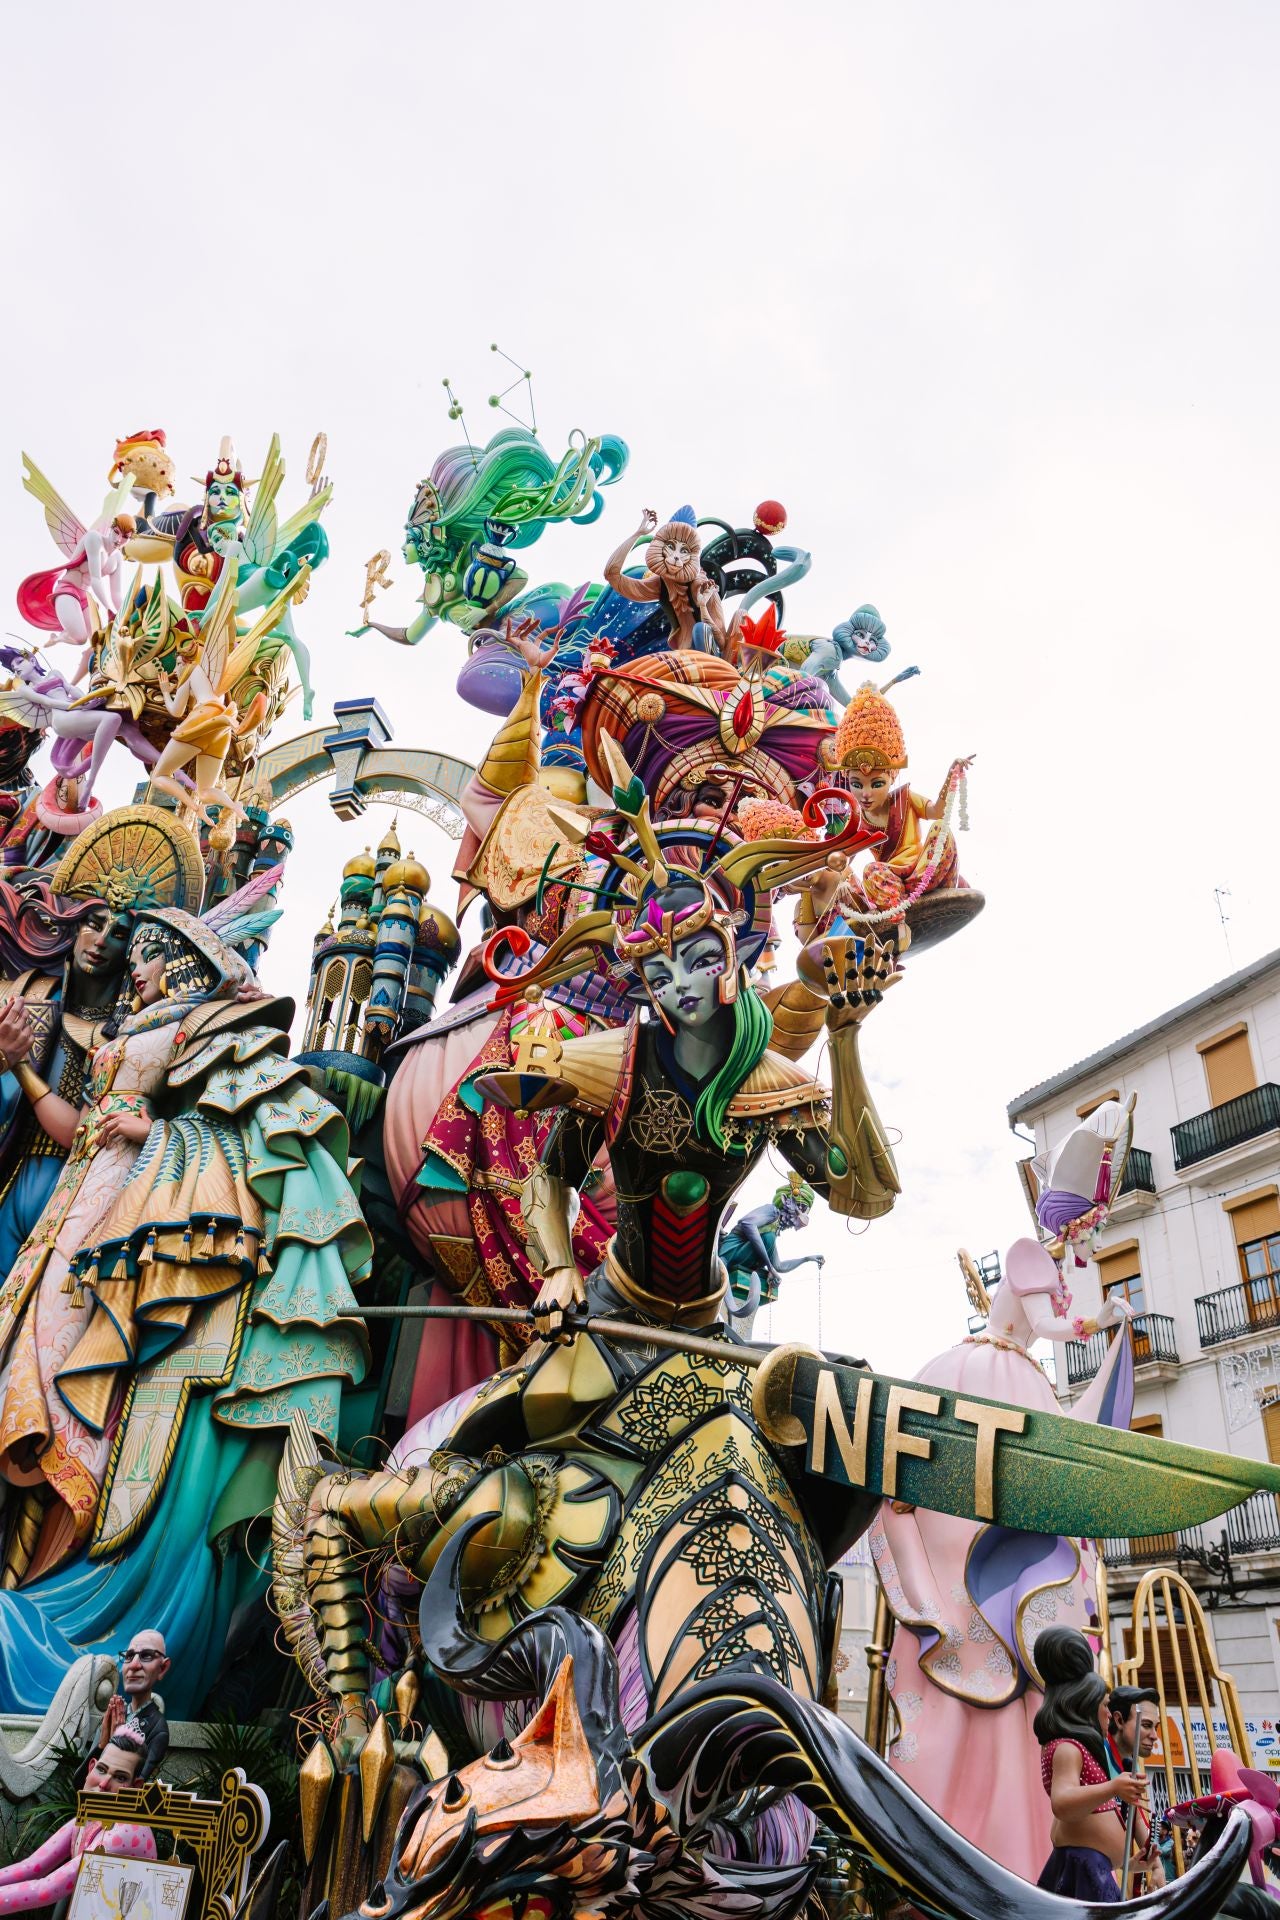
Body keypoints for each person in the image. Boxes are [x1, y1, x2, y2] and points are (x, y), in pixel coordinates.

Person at [0, 896, 371, 1717]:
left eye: (154, 949)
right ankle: (31, 1570)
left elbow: (243, 1141)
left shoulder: (213, 1033)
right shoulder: (129, 1033)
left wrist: (155, 1136)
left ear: (193, 965)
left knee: (78, 1398)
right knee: (30, 1376)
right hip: (74, 1217)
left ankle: (81, 1601)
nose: (135, 959)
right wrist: (25, 1070)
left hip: (139, 1232)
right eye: (138, 946)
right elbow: (79, 1129)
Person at [1034, 1627, 1153, 1900]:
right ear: (1086, 1704)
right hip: (1083, 1866)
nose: (1109, 1714)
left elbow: (1090, 1828)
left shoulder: (1082, 1750)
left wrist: (1132, 1863)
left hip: (1092, 1866)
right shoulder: (1067, 1748)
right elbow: (1062, 1802)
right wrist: (1113, 1787)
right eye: (1105, 1704)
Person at [0, 1727, 154, 1912]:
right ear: (91, 1767)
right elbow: (31, 1867)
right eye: (102, 1770)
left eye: (120, 1777)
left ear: (135, 1787)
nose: (104, 1783)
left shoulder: (126, 1832)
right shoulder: (88, 1818)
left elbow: (47, 1890)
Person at [79, 1631, 169, 1785]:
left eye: (146, 1655)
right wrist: (103, 1744)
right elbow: (80, 1782)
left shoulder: (157, 1728)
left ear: (162, 1668)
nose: (134, 1665)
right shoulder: (114, 1714)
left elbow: (135, 1787)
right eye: (129, 1656)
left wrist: (117, 1744)